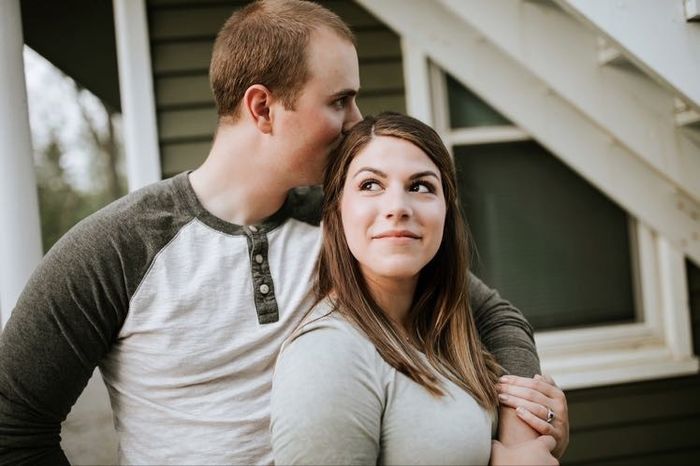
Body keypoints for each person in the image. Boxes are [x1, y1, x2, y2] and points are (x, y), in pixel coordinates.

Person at [0, 1, 567, 464]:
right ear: (263, 108)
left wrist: (520, 425)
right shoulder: (119, 247)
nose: (357, 122)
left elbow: (492, 316)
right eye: (340, 100)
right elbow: (13, 420)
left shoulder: (343, 221)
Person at [270, 112, 559, 465]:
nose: (397, 208)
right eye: (370, 185)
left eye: (420, 186)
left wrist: (533, 429)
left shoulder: (446, 333)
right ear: (336, 212)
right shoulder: (325, 358)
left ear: (447, 213)